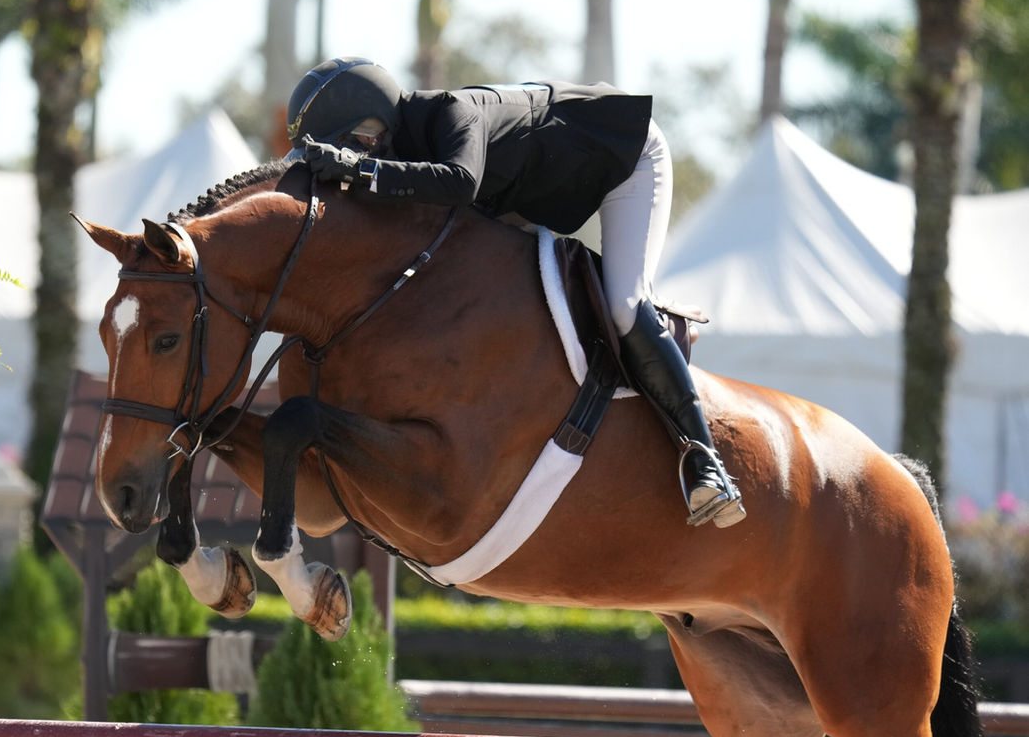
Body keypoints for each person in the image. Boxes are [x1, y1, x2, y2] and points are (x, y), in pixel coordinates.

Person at [285, 56, 745, 528]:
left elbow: (461, 183)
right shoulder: (401, 146)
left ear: (378, 119)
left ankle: (704, 459)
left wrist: (359, 169)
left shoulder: (452, 111)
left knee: (624, 306)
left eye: (356, 143)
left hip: (625, 157)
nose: (356, 155)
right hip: (535, 186)